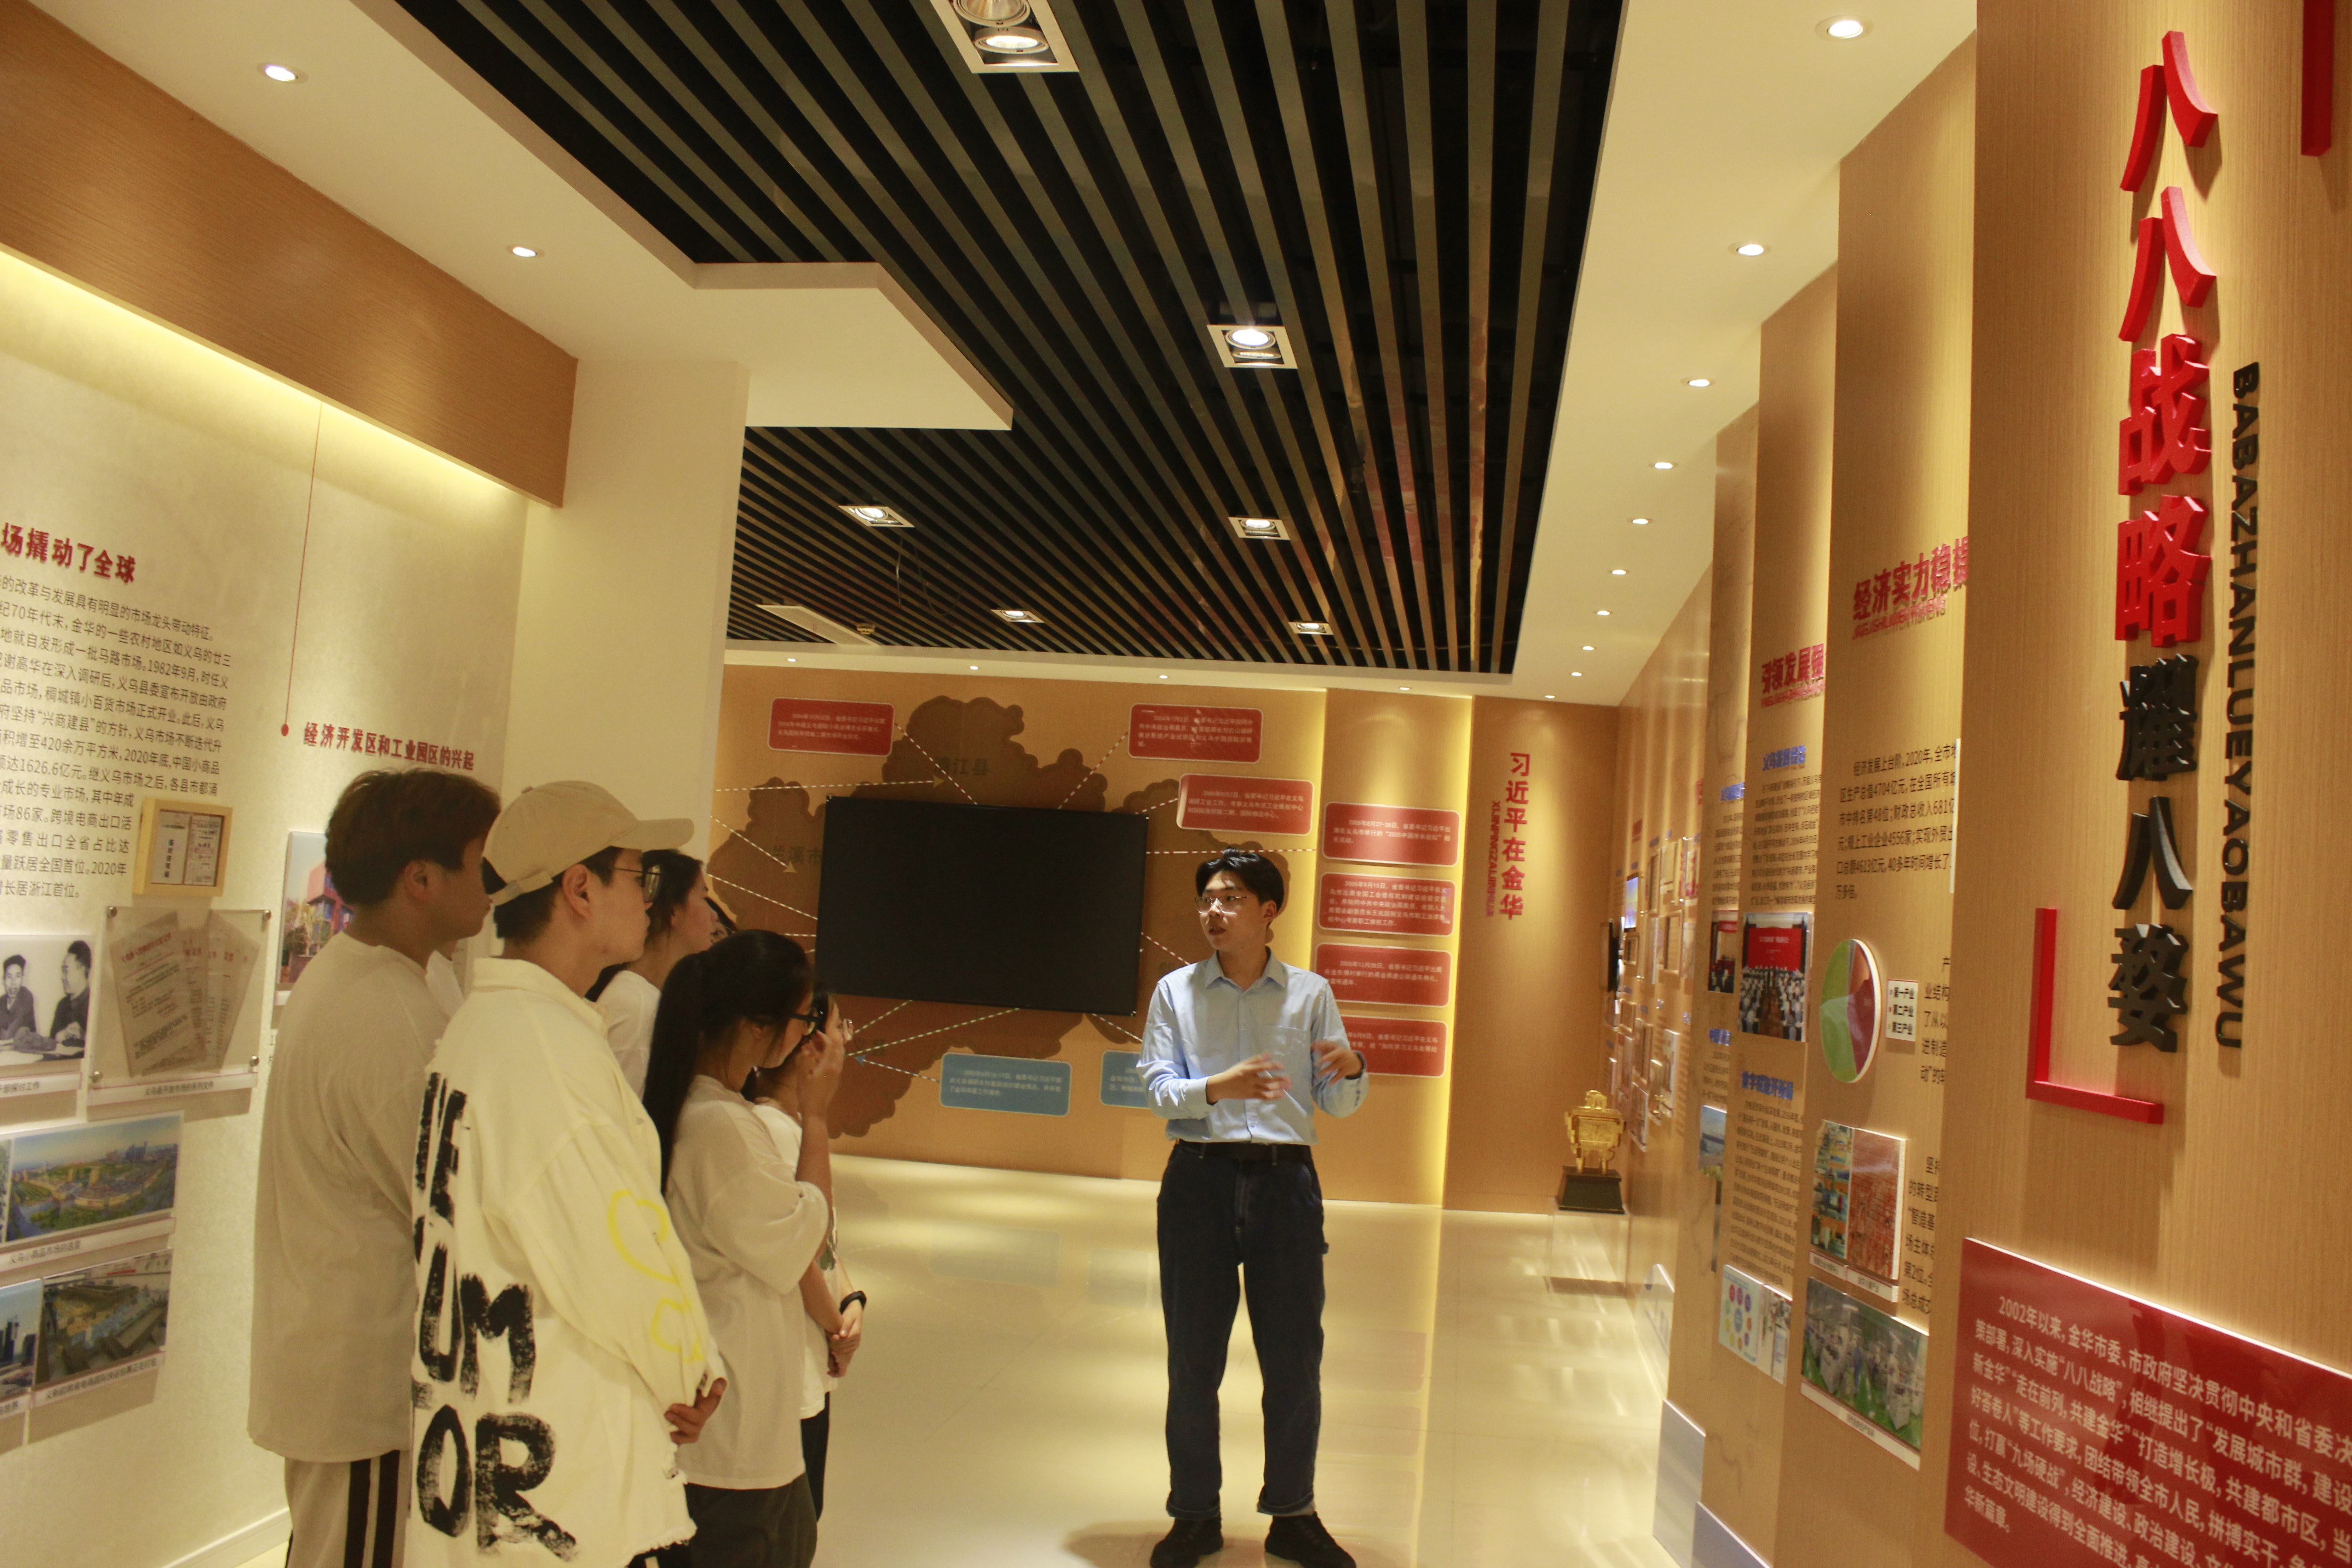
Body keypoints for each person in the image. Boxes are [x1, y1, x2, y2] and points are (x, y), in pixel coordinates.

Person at [407, 781, 726, 1568]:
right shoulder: (544, 1052)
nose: (649, 897)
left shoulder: (483, 1028)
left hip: (486, 1449)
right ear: (579, 889)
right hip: (558, 1481)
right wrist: (688, 1368)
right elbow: (611, 1254)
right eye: (638, 874)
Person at [249, 768, 501, 1568]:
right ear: (421, 879)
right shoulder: (385, 1010)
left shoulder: (375, 979)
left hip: (354, 1366)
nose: (492, 883)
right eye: (480, 861)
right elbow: (447, 1196)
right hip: (364, 1382)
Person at [1137, 849, 1368, 1568]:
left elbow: (1337, 1103)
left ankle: (1293, 1515)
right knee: (1192, 1361)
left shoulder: (1310, 994)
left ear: (1269, 912)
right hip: (1197, 1182)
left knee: (1295, 1360)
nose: (1215, 910)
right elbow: (1157, 1088)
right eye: (1208, 897)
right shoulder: (1175, 992)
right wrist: (1218, 1086)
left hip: (1285, 1186)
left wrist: (1354, 1070)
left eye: (1232, 898)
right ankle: (1194, 1515)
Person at [642, 931, 844, 1568]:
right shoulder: (723, 1127)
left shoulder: (705, 1112)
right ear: (759, 1029)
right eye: (805, 1021)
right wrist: (816, 1115)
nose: (810, 1039)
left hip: (735, 1428)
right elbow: (804, 1236)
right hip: (732, 1440)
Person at [748, 1039, 866, 1519]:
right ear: (808, 1047)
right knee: (788, 1524)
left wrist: (852, 1299)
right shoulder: (772, 1131)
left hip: (811, 1356)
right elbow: (796, 1253)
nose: (845, 1043)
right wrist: (836, 1326)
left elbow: (823, 1243)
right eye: (838, 1029)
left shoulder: (789, 1127)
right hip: (790, 1360)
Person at [592, 848, 719, 1094]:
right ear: (674, 910)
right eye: (704, 898)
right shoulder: (636, 1005)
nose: (714, 916)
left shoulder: (645, 998)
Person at [48, 940, 91, 1054]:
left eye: (66, 971)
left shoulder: (95, 1003)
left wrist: (84, 1036)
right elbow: (51, 1043)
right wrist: (62, 1035)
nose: (63, 977)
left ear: (82, 970)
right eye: (63, 971)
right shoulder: (62, 1005)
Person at [0, 954, 34, 1044]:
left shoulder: (26, 997)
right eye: (9, 977)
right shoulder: (2, 1001)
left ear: (22, 979)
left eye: (18, 976)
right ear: (4, 980)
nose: (13, 982)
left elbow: (9, 1035)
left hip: (26, 1049)